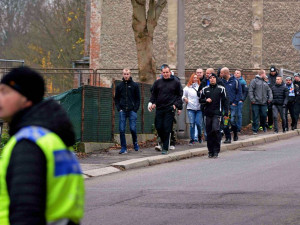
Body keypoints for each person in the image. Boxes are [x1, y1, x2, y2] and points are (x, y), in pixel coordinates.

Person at [0, 66, 84, 225]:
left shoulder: (27, 145)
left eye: (5, 92)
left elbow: (26, 214)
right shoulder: (54, 140)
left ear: (25, 98)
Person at [148, 65, 183, 154]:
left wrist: (176, 105)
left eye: (167, 72)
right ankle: (163, 142)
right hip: (160, 108)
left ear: (170, 72)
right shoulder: (158, 82)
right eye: (164, 72)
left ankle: (165, 148)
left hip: (170, 108)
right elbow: (154, 94)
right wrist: (151, 103)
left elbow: (179, 95)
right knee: (159, 126)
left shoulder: (176, 82)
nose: (165, 74)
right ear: (161, 73)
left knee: (167, 128)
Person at [199, 73, 228, 158]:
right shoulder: (205, 89)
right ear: (208, 80)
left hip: (217, 113)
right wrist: (205, 100)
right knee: (209, 132)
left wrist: (226, 113)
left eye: (213, 78)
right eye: (210, 78)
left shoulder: (221, 89)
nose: (212, 79)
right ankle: (210, 151)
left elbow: (225, 101)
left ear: (216, 79)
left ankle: (216, 150)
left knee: (215, 130)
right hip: (207, 113)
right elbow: (200, 100)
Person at [115, 68, 140, 154]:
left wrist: (135, 109)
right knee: (121, 129)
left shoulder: (134, 85)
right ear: (122, 75)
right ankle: (123, 147)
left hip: (132, 110)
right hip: (123, 110)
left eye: (127, 74)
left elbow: (138, 98)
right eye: (124, 74)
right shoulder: (119, 86)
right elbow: (116, 98)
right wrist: (119, 108)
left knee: (132, 128)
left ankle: (135, 143)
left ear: (130, 74)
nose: (126, 76)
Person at [249, 69, 273, 134]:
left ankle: (263, 126)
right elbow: (250, 91)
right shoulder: (254, 81)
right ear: (261, 74)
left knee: (264, 115)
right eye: (265, 74)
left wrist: (270, 98)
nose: (265, 75)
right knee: (255, 116)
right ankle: (255, 129)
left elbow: (269, 91)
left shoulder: (265, 82)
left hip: (264, 103)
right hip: (255, 102)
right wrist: (252, 99)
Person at [221, 67, 242, 143]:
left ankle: (235, 133)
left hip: (233, 104)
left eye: (222, 73)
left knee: (233, 120)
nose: (221, 74)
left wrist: (235, 102)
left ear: (226, 73)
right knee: (225, 122)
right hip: (225, 105)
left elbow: (239, 92)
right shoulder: (221, 82)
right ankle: (228, 138)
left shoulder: (235, 81)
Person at [182, 73, 202, 145]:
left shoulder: (200, 87)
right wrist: (185, 99)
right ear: (191, 79)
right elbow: (183, 95)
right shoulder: (187, 88)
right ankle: (192, 139)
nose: (195, 79)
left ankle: (199, 136)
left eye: (197, 78)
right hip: (190, 108)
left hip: (199, 108)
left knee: (198, 123)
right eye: (194, 78)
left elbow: (203, 95)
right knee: (192, 124)